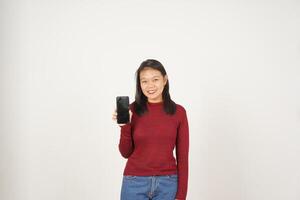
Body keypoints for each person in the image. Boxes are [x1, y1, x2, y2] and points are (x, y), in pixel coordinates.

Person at [112, 59, 189, 200]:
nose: (150, 86)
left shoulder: (179, 112)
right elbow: (125, 152)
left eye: (155, 79)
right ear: (139, 84)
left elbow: (183, 157)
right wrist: (125, 126)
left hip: (168, 183)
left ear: (165, 80)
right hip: (134, 182)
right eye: (144, 81)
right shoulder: (132, 110)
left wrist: (181, 195)